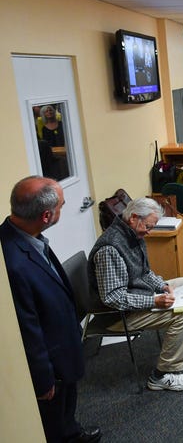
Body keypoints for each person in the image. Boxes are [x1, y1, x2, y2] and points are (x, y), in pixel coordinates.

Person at [89, 198, 183, 392]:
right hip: (118, 315)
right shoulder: (110, 248)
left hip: (137, 296)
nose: (149, 232)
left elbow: (144, 272)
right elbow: (113, 298)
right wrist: (154, 300)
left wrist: (162, 286)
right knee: (182, 314)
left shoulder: (132, 235)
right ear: (134, 218)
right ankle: (163, 375)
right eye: (148, 227)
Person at [0, 176, 101, 442]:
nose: (63, 210)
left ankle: (73, 431)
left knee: (67, 409)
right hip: (50, 362)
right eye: (61, 206)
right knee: (52, 418)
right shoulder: (12, 262)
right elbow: (27, 327)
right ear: (46, 215)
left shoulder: (28, 236)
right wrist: (43, 379)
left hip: (63, 346)